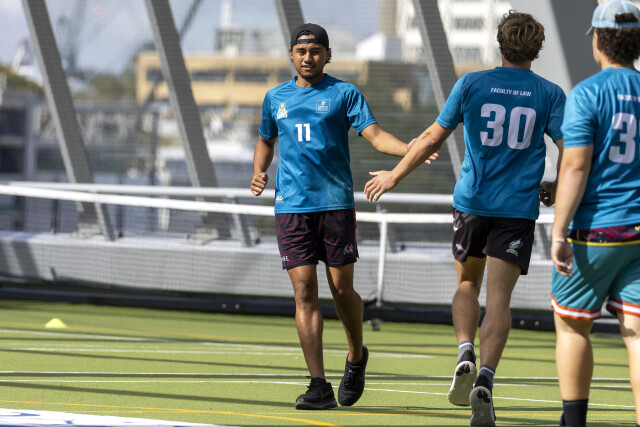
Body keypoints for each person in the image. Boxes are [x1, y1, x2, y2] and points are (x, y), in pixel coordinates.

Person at [364, 11, 565, 426]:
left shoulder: (471, 84)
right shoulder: (549, 93)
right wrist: (558, 185)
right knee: (500, 302)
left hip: (472, 203)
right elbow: (572, 148)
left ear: (499, 43)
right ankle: (485, 379)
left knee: (466, 284)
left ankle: (464, 352)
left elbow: (430, 138)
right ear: (537, 48)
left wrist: (394, 175)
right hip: (516, 211)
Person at [251, 23, 435, 410]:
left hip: (335, 205)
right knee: (304, 292)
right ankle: (318, 385)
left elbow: (376, 136)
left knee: (341, 290)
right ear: (291, 55)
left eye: (316, 51)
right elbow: (266, 139)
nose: (308, 57)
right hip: (291, 208)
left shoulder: (344, 93)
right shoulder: (274, 98)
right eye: (301, 51)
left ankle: (356, 356)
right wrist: (259, 171)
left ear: (328, 55)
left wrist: (410, 149)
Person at [550, 1, 640, 426]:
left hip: (596, 231)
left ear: (599, 40)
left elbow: (574, 167)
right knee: (636, 334)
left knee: (572, 326)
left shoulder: (587, 93)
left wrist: (558, 232)